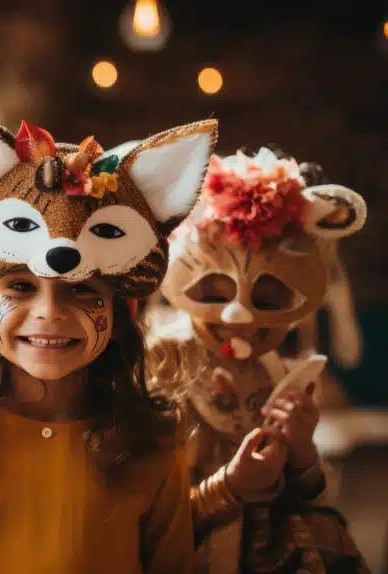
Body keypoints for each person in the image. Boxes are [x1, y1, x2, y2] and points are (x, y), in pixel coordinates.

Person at [0, 104, 218, 573]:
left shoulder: (149, 446)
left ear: (119, 310)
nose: (49, 312)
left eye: (82, 290)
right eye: (20, 287)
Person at [148, 147, 369, 573]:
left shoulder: (276, 368)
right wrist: (229, 488)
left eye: (268, 299)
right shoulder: (161, 362)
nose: (239, 317)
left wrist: (302, 452)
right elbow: (139, 521)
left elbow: (314, 500)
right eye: (214, 293)